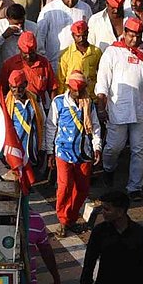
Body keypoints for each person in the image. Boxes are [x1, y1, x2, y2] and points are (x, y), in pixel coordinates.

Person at [93, 17, 143, 201]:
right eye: (131, 36)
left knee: (139, 149)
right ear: (124, 33)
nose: (135, 40)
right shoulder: (113, 52)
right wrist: (101, 104)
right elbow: (103, 81)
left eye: (138, 36)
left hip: (141, 108)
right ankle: (108, 169)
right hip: (118, 109)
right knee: (115, 146)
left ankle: (134, 187)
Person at [44, 73, 100, 233]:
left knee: (82, 189)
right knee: (65, 186)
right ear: (69, 88)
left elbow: (95, 127)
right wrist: (49, 152)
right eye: (75, 90)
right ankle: (63, 220)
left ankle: (71, 218)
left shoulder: (90, 104)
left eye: (80, 90)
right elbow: (51, 127)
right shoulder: (58, 102)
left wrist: (97, 147)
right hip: (63, 152)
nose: (77, 94)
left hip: (84, 152)